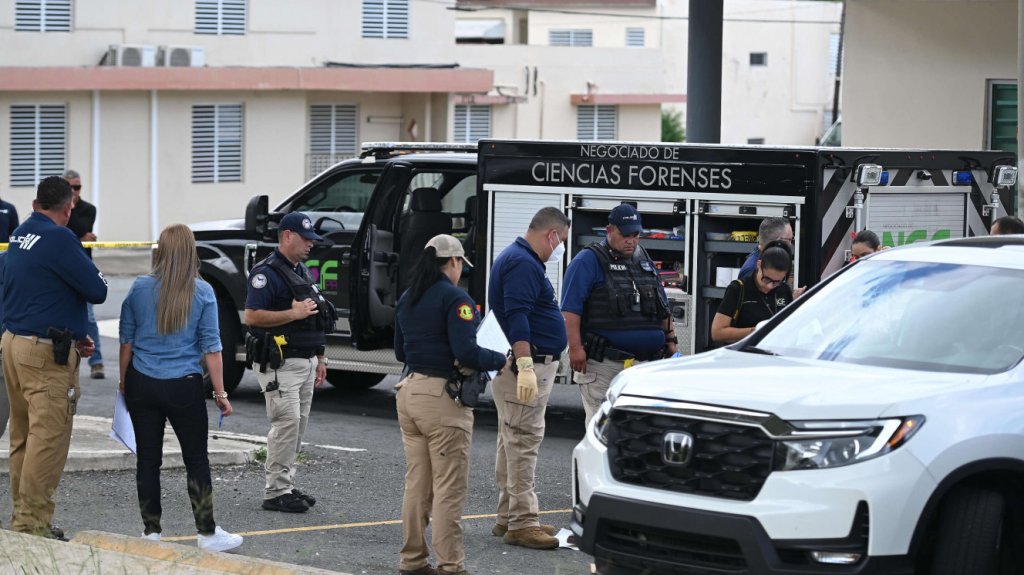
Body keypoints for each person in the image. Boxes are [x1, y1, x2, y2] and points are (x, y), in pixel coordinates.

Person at [119, 224, 243, 552]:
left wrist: (123, 384)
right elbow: (212, 348)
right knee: (196, 460)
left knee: (147, 460)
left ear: (159, 250)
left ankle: (151, 532)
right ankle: (206, 533)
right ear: (191, 252)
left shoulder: (139, 288)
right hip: (184, 386)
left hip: (142, 384)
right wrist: (220, 393)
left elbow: (126, 343)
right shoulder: (202, 292)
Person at [393, 234, 506, 575]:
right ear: (454, 262)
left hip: (408, 392)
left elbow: (400, 352)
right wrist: (501, 358)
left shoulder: (408, 297)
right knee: (449, 488)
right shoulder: (457, 299)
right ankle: (450, 565)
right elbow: (467, 352)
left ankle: (412, 562)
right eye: (461, 265)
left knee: (418, 485)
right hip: (441, 400)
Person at [1, 175, 107, 538]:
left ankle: (23, 517)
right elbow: (97, 289)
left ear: (34, 205)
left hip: (15, 343)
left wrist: (76, 334)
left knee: (24, 437)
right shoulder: (61, 237)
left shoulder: (21, 234)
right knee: (47, 440)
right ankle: (31, 524)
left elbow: (36, 288)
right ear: (69, 207)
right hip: (44, 355)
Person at [488, 207, 570, 550]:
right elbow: (517, 315)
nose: (561, 248)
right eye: (561, 240)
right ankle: (523, 523)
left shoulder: (520, 257)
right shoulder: (522, 262)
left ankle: (509, 515)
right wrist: (524, 363)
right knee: (523, 440)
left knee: (512, 439)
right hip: (527, 364)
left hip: (525, 363)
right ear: (551, 234)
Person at [245, 212, 335, 513]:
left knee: (297, 427)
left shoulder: (301, 271)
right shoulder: (266, 273)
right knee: (286, 425)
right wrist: (291, 315)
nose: (311, 244)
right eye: (306, 238)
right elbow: (253, 317)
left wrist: (320, 357)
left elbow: (316, 318)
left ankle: (284, 483)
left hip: (306, 361)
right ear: (286, 236)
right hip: (280, 363)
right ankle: (275, 492)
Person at [561, 204, 676, 428]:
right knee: (604, 432)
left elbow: (662, 306)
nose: (631, 241)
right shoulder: (588, 260)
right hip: (605, 365)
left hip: (644, 365)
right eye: (626, 235)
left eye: (636, 235)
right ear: (609, 230)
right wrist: (575, 348)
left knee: (639, 433)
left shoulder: (643, 258)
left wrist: (671, 340)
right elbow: (570, 309)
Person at [64, 169, 105, 380]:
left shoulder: (89, 209)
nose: (74, 191)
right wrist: (80, 235)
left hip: (82, 265)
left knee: (88, 316)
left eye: (77, 187)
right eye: (69, 187)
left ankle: (96, 361)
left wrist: (69, 209)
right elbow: (72, 233)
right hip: (62, 267)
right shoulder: (58, 208)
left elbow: (79, 228)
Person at [711, 240, 793, 345]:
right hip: (743, 356)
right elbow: (717, 333)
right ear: (759, 264)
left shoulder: (784, 290)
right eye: (766, 279)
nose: (770, 286)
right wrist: (755, 331)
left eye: (777, 282)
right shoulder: (738, 289)